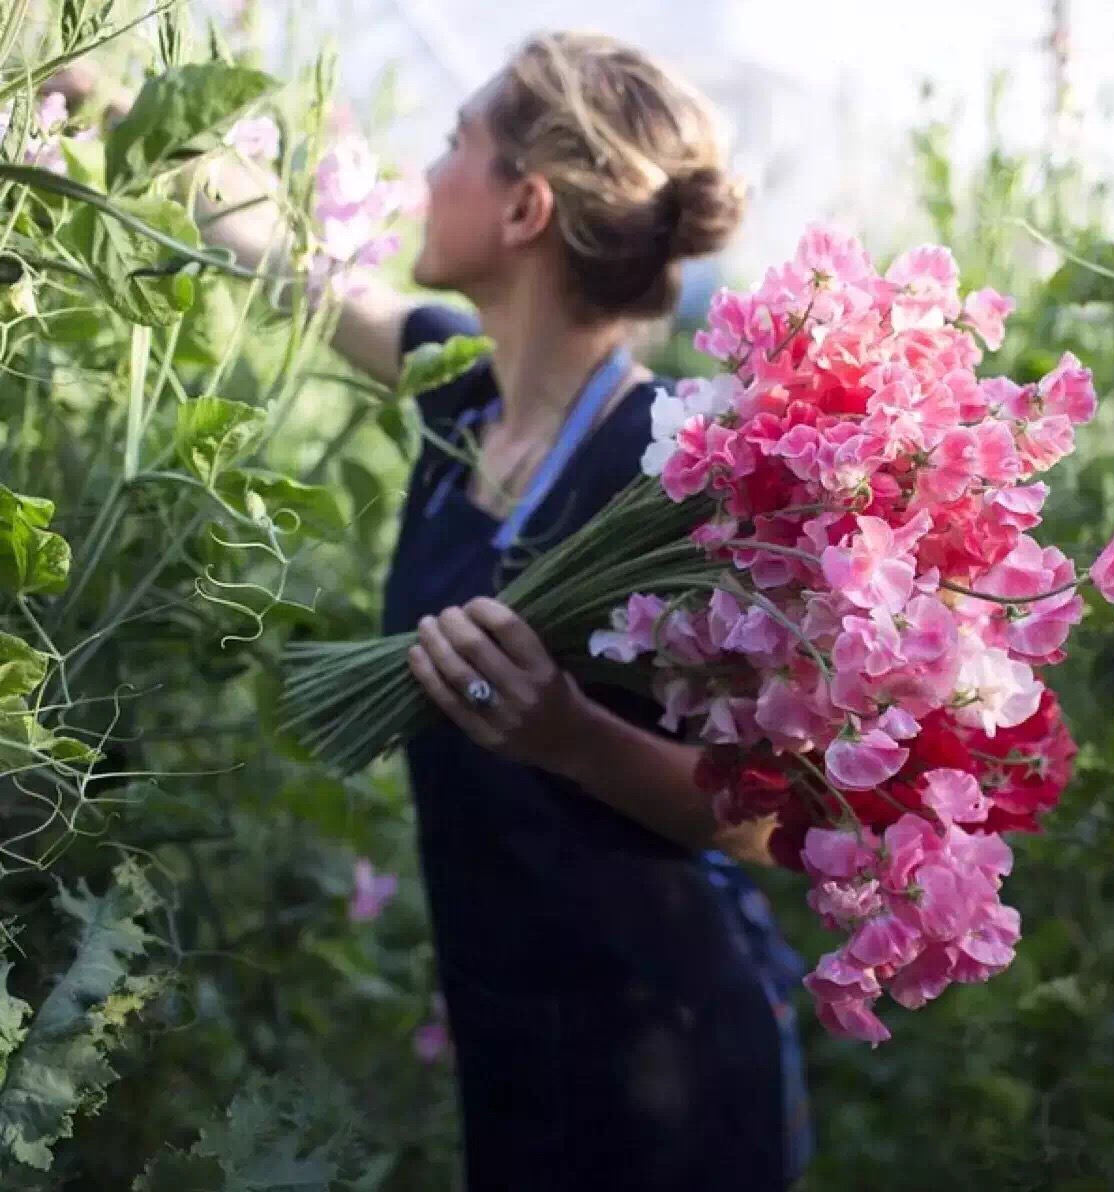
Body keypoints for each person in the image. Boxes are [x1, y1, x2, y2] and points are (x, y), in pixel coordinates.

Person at [62, 31, 813, 1190]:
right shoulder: (460, 389)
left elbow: (773, 818)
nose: (427, 170)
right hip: (511, 1010)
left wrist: (568, 735)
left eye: (457, 141)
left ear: (525, 207)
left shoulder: (671, 471)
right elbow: (281, 265)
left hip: (666, 1048)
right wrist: (108, 106)